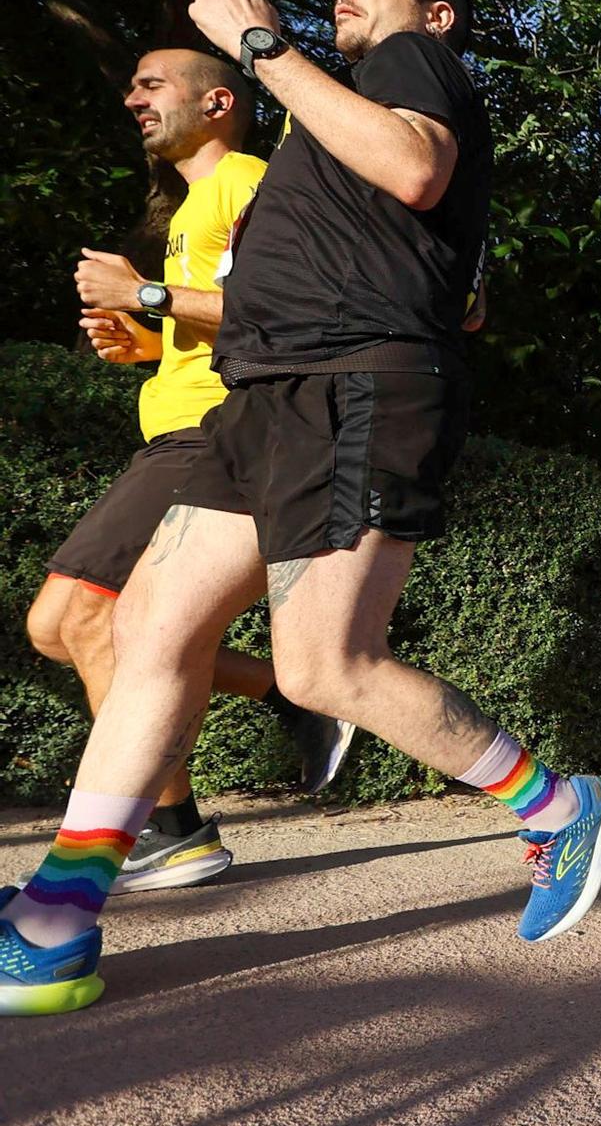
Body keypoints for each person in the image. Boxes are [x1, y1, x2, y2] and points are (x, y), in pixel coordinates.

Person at [2, 0, 601, 1017]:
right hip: (259, 403)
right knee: (147, 628)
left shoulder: (417, 60)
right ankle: (55, 919)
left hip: (354, 391)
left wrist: (259, 43)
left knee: (321, 665)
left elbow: (418, 167)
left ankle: (557, 804)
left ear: (435, 11)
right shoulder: (321, 109)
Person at [26, 48, 355, 895]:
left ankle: (174, 830)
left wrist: (142, 296)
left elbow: (286, 309)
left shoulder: (246, 179)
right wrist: (144, 344)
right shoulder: (192, 206)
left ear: (217, 101)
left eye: (150, 84)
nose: (130, 97)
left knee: (87, 620)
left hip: (212, 435)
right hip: (177, 429)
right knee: (62, 627)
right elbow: (216, 324)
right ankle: (294, 694)